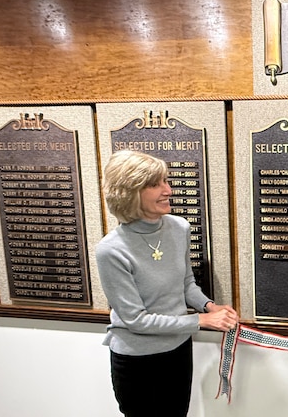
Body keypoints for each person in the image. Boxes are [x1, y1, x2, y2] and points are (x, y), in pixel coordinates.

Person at [97, 150, 238, 417]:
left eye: (166, 181)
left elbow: (185, 284)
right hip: (137, 361)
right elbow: (135, 320)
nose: (168, 190)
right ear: (129, 192)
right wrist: (200, 322)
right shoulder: (110, 250)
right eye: (155, 184)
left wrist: (209, 306)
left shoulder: (179, 228)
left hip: (177, 350)